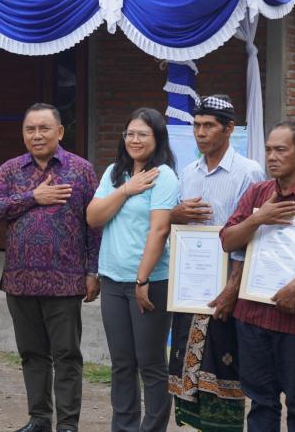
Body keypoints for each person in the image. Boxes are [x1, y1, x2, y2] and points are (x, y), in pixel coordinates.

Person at [0, 102, 102, 432]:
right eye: (30, 129)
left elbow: (95, 225)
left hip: (65, 282)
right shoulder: (10, 170)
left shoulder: (81, 170)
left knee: (66, 355)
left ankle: (67, 424)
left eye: (43, 128)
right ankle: (39, 419)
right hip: (19, 281)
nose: (36, 135)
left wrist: (92, 271)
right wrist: (34, 196)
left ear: (60, 132)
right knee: (32, 354)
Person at [220, 120, 295, 432]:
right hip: (251, 316)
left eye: (281, 150)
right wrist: (258, 218)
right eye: (268, 150)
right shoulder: (257, 194)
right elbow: (227, 239)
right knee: (261, 401)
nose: (272, 157)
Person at [168, 95, 265, 431]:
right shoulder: (188, 172)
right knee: (187, 370)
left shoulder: (248, 172)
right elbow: (179, 231)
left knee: (223, 368)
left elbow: (255, 236)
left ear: (229, 129)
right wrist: (175, 214)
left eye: (209, 125)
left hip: (227, 284)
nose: (200, 132)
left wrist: (232, 290)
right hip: (190, 285)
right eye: (196, 125)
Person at [87, 107, 179, 431]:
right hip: (112, 279)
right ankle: (123, 427)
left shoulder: (164, 176)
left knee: (151, 363)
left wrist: (142, 279)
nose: (135, 139)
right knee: (122, 363)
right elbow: (94, 217)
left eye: (143, 133)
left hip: (149, 281)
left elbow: (159, 231)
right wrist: (126, 189)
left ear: (157, 138)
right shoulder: (114, 173)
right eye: (130, 133)